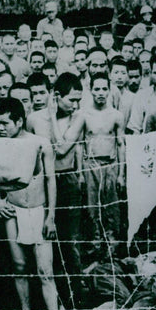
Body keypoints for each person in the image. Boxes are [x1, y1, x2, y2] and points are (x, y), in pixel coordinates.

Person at [0, 98, 70, 310]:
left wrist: (50, 216)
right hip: (12, 211)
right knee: (19, 267)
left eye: (5, 123)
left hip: (38, 210)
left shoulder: (40, 143)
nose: (1, 127)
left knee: (45, 270)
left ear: (19, 121)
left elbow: (50, 180)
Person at [28, 72, 84, 310]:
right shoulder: (33, 119)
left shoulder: (78, 117)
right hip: (42, 182)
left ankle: (72, 302)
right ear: (57, 96)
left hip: (67, 180)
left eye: (79, 100)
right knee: (44, 241)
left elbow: (61, 149)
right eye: (72, 99)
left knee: (69, 243)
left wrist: (52, 118)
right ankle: (47, 302)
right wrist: (49, 116)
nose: (75, 105)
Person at [58, 73, 125, 262]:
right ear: (91, 90)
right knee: (91, 209)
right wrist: (80, 173)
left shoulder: (117, 115)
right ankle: (94, 251)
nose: (101, 93)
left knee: (111, 209)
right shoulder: (84, 115)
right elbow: (79, 144)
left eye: (104, 89)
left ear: (109, 90)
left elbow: (121, 144)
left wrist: (121, 174)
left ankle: (112, 252)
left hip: (110, 165)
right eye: (97, 89)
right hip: (90, 166)